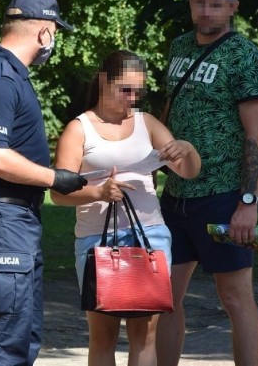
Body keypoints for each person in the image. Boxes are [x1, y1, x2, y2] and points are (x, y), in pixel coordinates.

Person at [0, 0, 86, 365]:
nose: (54, 42)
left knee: (22, 337)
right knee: (2, 343)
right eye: (55, 33)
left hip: (17, 220)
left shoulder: (11, 74)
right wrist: (54, 178)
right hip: (3, 220)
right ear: (44, 32)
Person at [51, 49, 201, 366]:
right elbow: (59, 195)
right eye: (125, 89)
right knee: (102, 338)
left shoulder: (147, 123)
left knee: (145, 338)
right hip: (97, 242)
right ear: (105, 81)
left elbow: (189, 171)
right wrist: (99, 192)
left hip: (150, 237)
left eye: (138, 91)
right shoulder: (79, 129)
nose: (132, 99)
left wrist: (187, 149)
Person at [155, 0, 258, 366]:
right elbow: (171, 110)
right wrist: (152, 157)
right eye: (200, 2)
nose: (207, 12)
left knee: (235, 298)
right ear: (190, 1)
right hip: (176, 198)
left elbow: (256, 134)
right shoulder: (179, 47)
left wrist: (248, 202)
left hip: (223, 200)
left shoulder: (245, 56)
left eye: (216, 5)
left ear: (233, 6)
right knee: (164, 298)